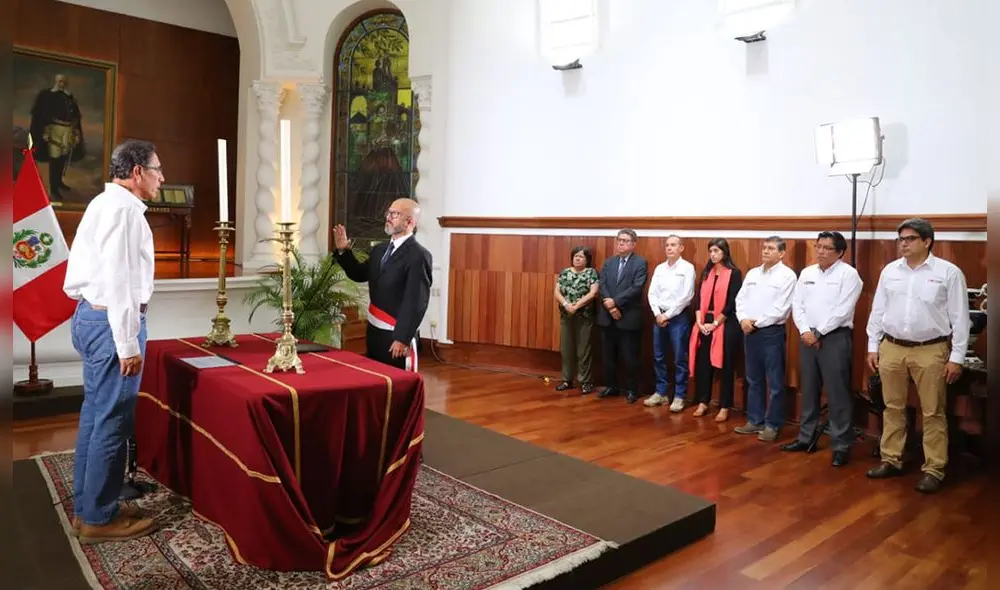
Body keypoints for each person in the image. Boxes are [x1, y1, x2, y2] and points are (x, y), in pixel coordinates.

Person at [62, 139, 161, 544]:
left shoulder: (103, 204)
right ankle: (99, 519)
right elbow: (120, 282)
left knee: (94, 415)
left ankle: (87, 508)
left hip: (89, 315)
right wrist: (127, 344)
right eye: (156, 169)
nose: (162, 178)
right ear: (137, 172)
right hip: (111, 323)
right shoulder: (123, 212)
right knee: (112, 422)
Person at [865, 218, 969, 493]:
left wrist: (956, 356)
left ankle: (934, 468)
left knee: (933, 411)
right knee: (893, 407)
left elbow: (960, 317)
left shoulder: (948, 272)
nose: (904, 244)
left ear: (927, 241)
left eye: (910, 239)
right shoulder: (890, 271)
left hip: (931, 349)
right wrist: (872, 346)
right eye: (901, 239)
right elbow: (878, 310)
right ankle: (891, 459)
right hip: (892, 346)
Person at [782, 231, 863, 466]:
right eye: (818, 246)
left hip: (834, 338)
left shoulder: (850, 275)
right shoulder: (807, 273)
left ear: (840, 252)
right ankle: (806, 437)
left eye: (827, 248)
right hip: (807, 337)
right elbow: (797, 304)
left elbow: (843, 310)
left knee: (837, 393)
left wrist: (819, 332)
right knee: (808, 389)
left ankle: (841, 444)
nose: (820, 251)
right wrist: (806, 331)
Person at [333, 198, 433, 371]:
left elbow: (416, 301)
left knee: (396, 385)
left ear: (410, 221)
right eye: (389, 212)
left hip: (396, 335)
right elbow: (359, 274)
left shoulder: (418, 256)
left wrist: (402, 338)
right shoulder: (379, 249)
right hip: (374, 330)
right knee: (377, 381)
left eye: (395, 214)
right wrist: (343, 251)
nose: (389, 217)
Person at [733, 236, 797, 442]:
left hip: (771, 332)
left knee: (775, 382)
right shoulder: (753, 273)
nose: (766, 251)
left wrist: (756, 323)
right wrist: (743, 319)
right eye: (764, 248)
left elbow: (782, 308)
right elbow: (740, 299)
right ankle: (755, 420)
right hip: (749, 331)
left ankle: (773, 424)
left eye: (771, 248)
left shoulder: (787, 276)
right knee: (753, 379)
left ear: (782, 253)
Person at [688, 238, 743, 422]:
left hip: (725, 323)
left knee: (725, 366)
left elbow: (732, 303)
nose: (713, 255)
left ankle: (725, 406)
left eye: (717, 251)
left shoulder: (734, 274)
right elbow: (697, 300)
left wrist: (716, 323)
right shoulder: (706, 273)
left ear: (725, 253)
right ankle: (703, 401)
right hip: (704, 322)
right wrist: (700, 321)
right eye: (711, 251)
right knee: (704, 364)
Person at [596, 228, 649, 404]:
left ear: (633, 244)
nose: (621, 243)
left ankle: (632, 389)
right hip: (608, 316)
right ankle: (611, 386)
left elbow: (636, 287)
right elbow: (602, 285)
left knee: (630, 356)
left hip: (628, 317)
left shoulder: (640, 263)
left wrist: (616, 302)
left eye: (625, 241)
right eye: (619, 240)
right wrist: (611, 307)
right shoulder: (609, 262)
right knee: (608, 356)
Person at [644, 235, 695, 411]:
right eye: (667, 245)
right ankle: (661, 392)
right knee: (659, 356)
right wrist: (658, 314)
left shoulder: (688, 268)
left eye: (673, 245)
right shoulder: (660, 268)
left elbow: (687, 296)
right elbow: (652, 293)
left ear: (681, 248)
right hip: (659, 316)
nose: (669, 248)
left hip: (677, 318)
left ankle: (680, 395)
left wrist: (669, 315)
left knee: (680, 357)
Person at [554, 246, 600, 394]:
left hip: (584, 316)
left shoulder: (591, 273)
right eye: (575, 256)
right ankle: (567, 379)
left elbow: (593, 293)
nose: (578, 258)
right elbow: (557, 291)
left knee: (584, 349)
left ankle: (586, 381)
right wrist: (567, 305)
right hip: (566, 316)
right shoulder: (565, 272)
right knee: (566, 349)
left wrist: (577, 306)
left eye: (581, 256)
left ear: (587, 260)